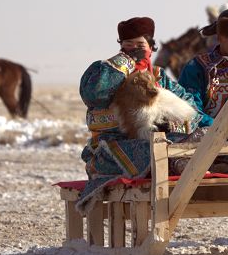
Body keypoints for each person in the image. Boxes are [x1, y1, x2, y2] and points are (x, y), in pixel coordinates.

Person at [77, 16, 199, 212]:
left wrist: (168, 119)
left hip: (160, 141)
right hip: (110, 148)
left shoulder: (159, 77)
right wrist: (126, 62)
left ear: (150, 47)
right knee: (147, 149)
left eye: (140, 44)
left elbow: (191, 108)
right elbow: (94, 93)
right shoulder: (103, 71)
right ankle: (178, 162)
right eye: (128, 44)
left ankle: (182, 160)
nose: (134, 49)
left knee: (185, 141)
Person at [173, 3, 228, 174]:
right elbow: (190, 109)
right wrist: (220, 129)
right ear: (220, 38)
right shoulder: (197, 67)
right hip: (206, 139)